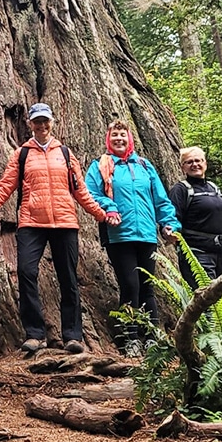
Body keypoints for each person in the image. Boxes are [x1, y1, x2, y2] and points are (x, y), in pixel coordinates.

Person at [0, 103, 115, 355]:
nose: (42, 125)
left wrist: (102, 214)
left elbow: (80, 191)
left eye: (45, 121)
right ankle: (34, 334)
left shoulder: (66, 154)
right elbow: (5, 186)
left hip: (65, 223)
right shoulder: (22, 155)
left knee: (68, 278)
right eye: (37, 121)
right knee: (26, 272)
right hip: (32, 222)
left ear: (52, 122)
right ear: (30, 124)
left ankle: (72, 335)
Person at [85, 119, 180, 351]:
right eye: (115, 135)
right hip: (119, 235)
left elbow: (160, 199)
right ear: (108, 140)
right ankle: (130, 338)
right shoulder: (102, 165)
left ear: (130, 138)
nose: (119, 139)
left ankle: (151, 337)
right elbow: (89, 192)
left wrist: (168, 224)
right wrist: (110, 206)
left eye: (123, 135)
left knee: (147, 286)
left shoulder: (145, 166)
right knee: (129, 285)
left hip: (147, 234)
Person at [168, 146, 222, 289]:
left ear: (205, 164)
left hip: (221, 251)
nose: (195, 164)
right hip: (197, 253)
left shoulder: (213, 188)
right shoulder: (181, 190)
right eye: (189, 162)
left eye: (198, 160)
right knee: (205, 296)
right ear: (183, 167)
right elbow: (172, 216)